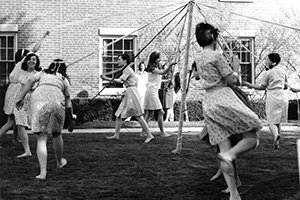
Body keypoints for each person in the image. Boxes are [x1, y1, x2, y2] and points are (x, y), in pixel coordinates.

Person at [194, 22, 263, 200]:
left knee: (223, 145)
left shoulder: (198, 57)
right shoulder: (217, 56)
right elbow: (234, 81)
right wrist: (236, 65)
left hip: (209, 102)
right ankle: (229, 155)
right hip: (223, 98)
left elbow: (199, 76)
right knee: (252, 137)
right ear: (214, 38)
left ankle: (234, 193)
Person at [16, 59, 72, 180]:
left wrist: (21, 97)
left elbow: (30, 80)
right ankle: (59, 162)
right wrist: (71, 118)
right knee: (57, 134)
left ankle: (43, 172)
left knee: (41, 137)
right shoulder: (64, 79)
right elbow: (68, 103)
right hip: (57, 99)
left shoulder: (42, 73)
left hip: (38, 98)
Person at [0, 31, 49, 148]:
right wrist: (43, 36)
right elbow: (35, 49)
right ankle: (14, 138)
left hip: (13, 91)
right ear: (24, 58)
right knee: (12, 121)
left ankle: (15, 139)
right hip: (17, 91)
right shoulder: (21, 63)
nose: (30, 58)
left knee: (15, 119)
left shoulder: (19, 67)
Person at [100, 54, 154, 143]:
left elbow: (120, 81)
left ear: (125, 61)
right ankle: (116, 135)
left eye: (119, 59)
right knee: (119, 114)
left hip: (132, 92)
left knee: (138, 115)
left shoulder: (128, 70)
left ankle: (149, 135)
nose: (117, 61)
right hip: (129, 91)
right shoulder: (126, 69)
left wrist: (106, 78)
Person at [243, 53, 288, 149]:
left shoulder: (268, 73)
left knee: (271, 121)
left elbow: (262, 87)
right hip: (283, 96)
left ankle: (276, 135)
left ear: (273, 62)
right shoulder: (283, 72)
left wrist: (249, 85)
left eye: (268, 60)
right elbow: (286, 86)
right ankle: (277, 143)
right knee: (278, 121)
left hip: (273, 95)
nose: (266, 61)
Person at [14, 53, 42, 158]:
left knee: (35, 125)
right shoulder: (22, 73)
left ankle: (42, 146)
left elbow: (33, 88)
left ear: (36, 62)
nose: (31, 61)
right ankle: (27, 151)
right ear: (26, 61)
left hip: (32, 100)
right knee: (20, 125)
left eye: (34, 59)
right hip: (20, 100)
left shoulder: (38, 74)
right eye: (29, 59)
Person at [143, 51, 176, 137]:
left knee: (149, 113)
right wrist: (170, 65)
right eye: (158, 58)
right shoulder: (153, 68)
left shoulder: (153, 68)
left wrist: (166, 81)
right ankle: (162, 132)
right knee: (161, 112)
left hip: (153, 91)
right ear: (154, 59)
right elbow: (163, 72)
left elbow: (156, 80)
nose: (160, 59)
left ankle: (143, 132)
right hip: (152, 92)